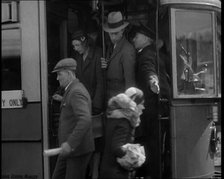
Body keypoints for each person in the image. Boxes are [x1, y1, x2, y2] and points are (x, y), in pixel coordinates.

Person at [51, 58, 95, 179]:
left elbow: (85, 119)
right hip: (68, 151)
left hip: (76, 150)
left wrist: (70, 143)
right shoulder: (71, 90)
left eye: (59, 74)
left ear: (69, 74)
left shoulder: (76, 92)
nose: (57, 78)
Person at [132, 23, 161, 179]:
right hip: (153, 107)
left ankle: (150, 174)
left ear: (146, 38)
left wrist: (152, 81)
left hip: (149, 108)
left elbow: (148, 69)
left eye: (136, 36)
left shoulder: (146, 54)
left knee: (149, 144)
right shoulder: (152, 52)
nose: (134, 39)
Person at [100, 87, 145, 179]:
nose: (143, 107)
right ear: (134, 103)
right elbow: (117, 148)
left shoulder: (114, 117)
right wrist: (136, 154)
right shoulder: (124, 122)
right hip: (117, 172)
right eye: (141, 103)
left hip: (109, 170)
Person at [101, 11, 136, 102]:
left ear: (122, 30)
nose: (112, 37)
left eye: (115, 33)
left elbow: (130, 81)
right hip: (111, 96)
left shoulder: (127, 50)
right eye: (110, 33)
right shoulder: (111, 46)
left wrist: (128, 103)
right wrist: (106, 65)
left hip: (121, 99)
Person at [71, 29, 104, 115]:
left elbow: (100, 82)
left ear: (84, 42)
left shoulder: (97, 54)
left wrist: (97, 105)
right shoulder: (77, 57)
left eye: (77, 45)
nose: (76, 48)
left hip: (94, 102)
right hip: (82, 101)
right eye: (74, 46)